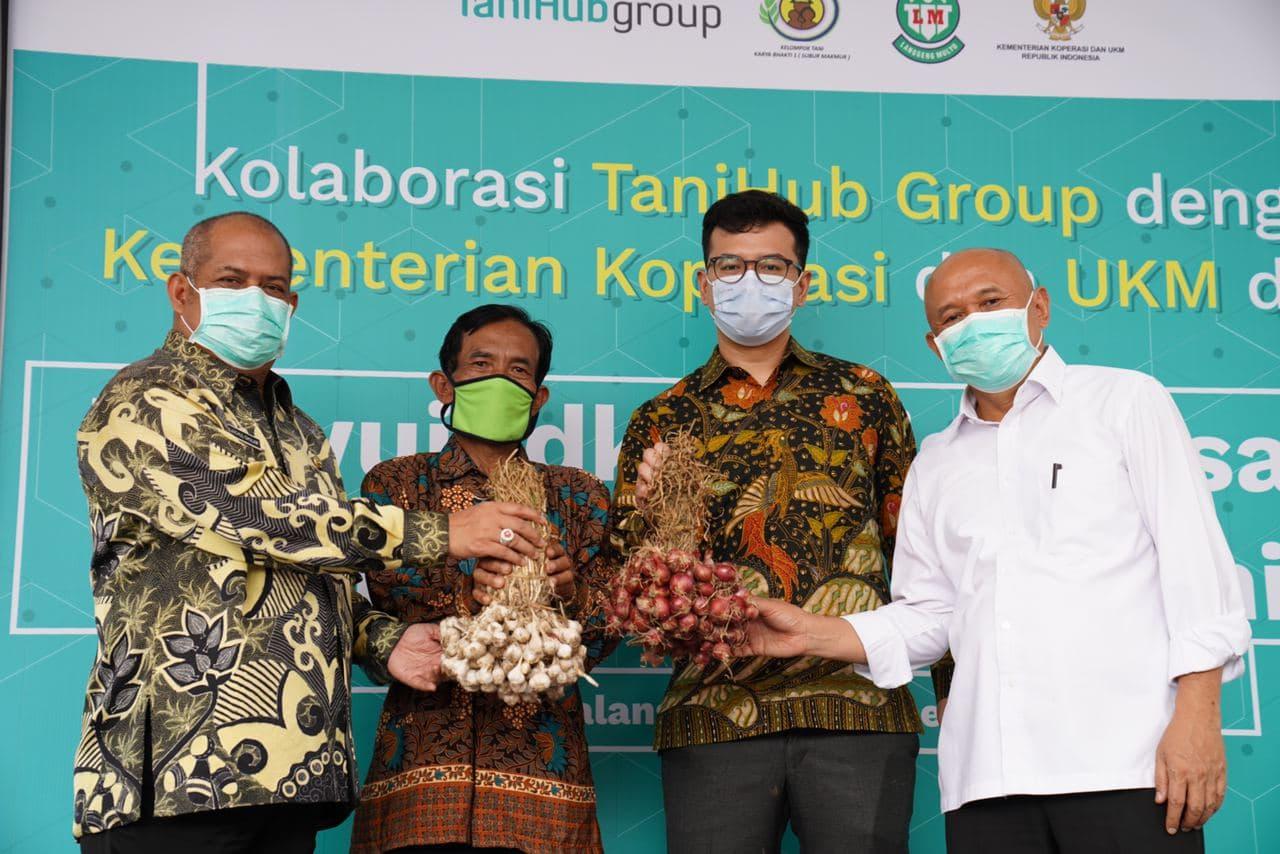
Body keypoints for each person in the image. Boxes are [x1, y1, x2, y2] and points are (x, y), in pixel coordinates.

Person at [740, 248, 1252, 854]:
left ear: (1040, 307)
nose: (973, 324)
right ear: (936, 346)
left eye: (990, 303)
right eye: (951, 317)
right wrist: (808, 633)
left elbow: (1198, 570)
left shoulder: (1124, 402)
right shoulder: (936, 462)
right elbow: (931, 616)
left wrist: (1198, 720)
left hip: (1128, 764)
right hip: (988, 780)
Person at [73, 212, 545, 853]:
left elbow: (303, 568)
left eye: (273, 287)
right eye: (231, 280)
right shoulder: (145, 399)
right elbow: (258, 516)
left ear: (291, 305)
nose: (255, 299)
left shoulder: (300, 430)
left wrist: (386, 642)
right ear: (182, 291)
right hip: (178, 770)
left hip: (293, 771)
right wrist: (443, 533)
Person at [609, 190, 951, 853]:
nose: (750, 282)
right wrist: (651, 523)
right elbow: (634, 593)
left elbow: (921, 560)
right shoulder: (662, 417)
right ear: (704, 284)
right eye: (729, 266)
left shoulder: (865, 395)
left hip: (857, 713)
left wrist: (958, 706)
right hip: (713, 715)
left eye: (771, 266)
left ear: (802, 284)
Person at [351, 305, 617, 854]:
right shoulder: (396, 484)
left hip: (544, 781)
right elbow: (384, 611)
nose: (500, 378)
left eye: (520, 370)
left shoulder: (579, 495)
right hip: (422, 777)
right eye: (481, 364)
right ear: (444, 385)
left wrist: (569, 595)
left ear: (538, 397)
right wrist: (470, 595)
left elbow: (608, 631)